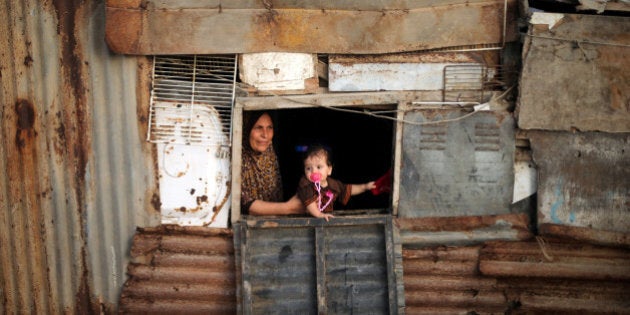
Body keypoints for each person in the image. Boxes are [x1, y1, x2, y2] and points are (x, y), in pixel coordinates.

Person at [240, 111, 305, 216]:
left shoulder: (269, 154)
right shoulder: (236, 157)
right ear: (246, 130)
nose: (265, 135)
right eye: (258, 127)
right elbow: (244, 203)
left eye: (269, 127)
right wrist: (288, 208)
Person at [296, 145, 376, 221]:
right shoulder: (305, 184)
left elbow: (347, 189)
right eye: (308, 168)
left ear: (329, 170)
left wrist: (365, 187)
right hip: (308, 219)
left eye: (319, 167)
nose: (314, 171)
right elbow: (310, 204)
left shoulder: (333, 185)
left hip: (326, 218)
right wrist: (319, 215)